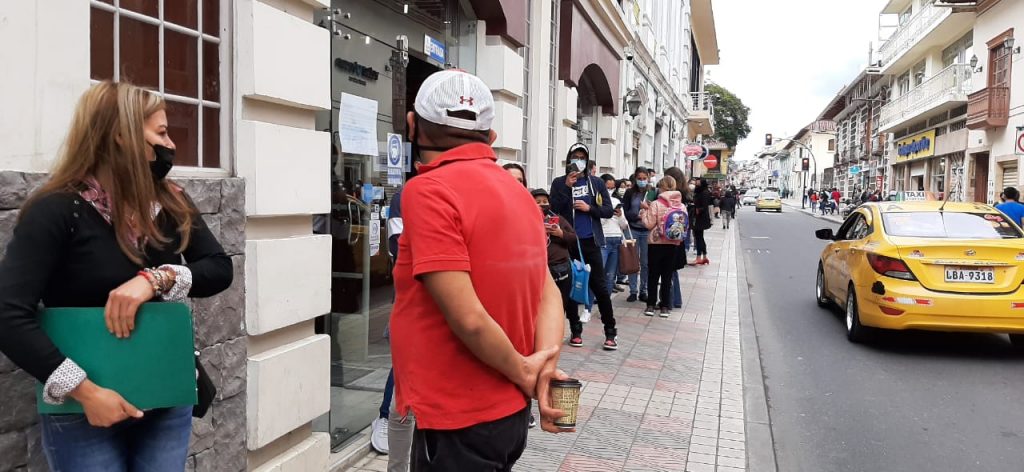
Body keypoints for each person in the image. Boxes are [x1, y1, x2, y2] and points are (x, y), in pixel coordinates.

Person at [0, 81, 233, 471]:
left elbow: (219, 268)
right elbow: (7, 314)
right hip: (85, 410)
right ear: (122, 136)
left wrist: (154, 279)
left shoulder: (169, 201)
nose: (170, 145)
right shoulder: (57, 210)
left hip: (165, 392)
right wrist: (86, 393)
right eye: (161, 133)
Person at [390, 69, 569, 471]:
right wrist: (543, 368)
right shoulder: (519, 193)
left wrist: (527, 371)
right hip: (508, 414)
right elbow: (547, 293)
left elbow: (469, 319)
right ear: (490, 136)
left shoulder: (428, 191)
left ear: (412, 125)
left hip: (457, 416)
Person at [549, 143, 619, 350]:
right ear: (569, 159)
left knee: (600, 287)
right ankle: (575, 330)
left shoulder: (596, 183)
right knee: (571, 287)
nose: (578, 161)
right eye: (575, 157)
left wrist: (590, 208)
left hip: (590, 242)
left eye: (582, 157)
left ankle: (610, 331)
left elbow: (608, 210)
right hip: (568, 242)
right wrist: (566, 188)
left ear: (587, 161)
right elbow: (554, 210)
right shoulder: (559, 182)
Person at [531, 189, 583, 348]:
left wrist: (560, 233)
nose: (542, 205)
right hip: (539, 269)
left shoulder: (558, 219)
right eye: (538, 202)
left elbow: (573, 238)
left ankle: (575, 331)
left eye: (545, 201)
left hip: (561, 267)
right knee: (541, 305)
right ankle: (542, 336)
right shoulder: (528, 220)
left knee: (566, 302)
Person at [639, 176, 685, 317]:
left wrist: (643, 212)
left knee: (653, 275)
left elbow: (648, 224)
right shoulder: (681, 205)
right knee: (667, 276)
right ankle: (665, 306)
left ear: (662, 187)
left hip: (656, 243)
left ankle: (651, 305)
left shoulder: (656, 204)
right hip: (673, 244)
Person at [621, 167, 653, 303]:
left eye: (644, 178)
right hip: (632, 229)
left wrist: (648, 209)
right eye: (639, 178)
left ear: (648, 178)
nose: (642, 181)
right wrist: (636, 215)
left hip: (647, 230)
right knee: (632, 261)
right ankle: (633, 291)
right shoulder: (630, 193)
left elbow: (657, 211)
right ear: (635, 178)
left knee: (645, 263)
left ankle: (643, 290)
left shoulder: (652, 192)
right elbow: (625, 212)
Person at [597, 174, 628, 296]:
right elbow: (598, 223)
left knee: (610, 275)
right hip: (604, 238)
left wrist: (619, 216)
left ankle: (607, 300)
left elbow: (624, 225)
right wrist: (608, 213)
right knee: (599, 272)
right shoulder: (597, 202)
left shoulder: (616, 201)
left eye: (612, 188)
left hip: (617, 238)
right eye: (607, 187)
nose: (610, 190)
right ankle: (595, 298)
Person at [692, 178, 713, 265]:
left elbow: (704, 206)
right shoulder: (701, 191)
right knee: (700, 237)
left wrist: (697, 210)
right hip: (700, 217)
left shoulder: (704, 193)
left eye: (698, 183)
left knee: (698, 237)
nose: (696, 184)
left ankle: (699, 257)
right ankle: (704, 257)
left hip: (700, 218)